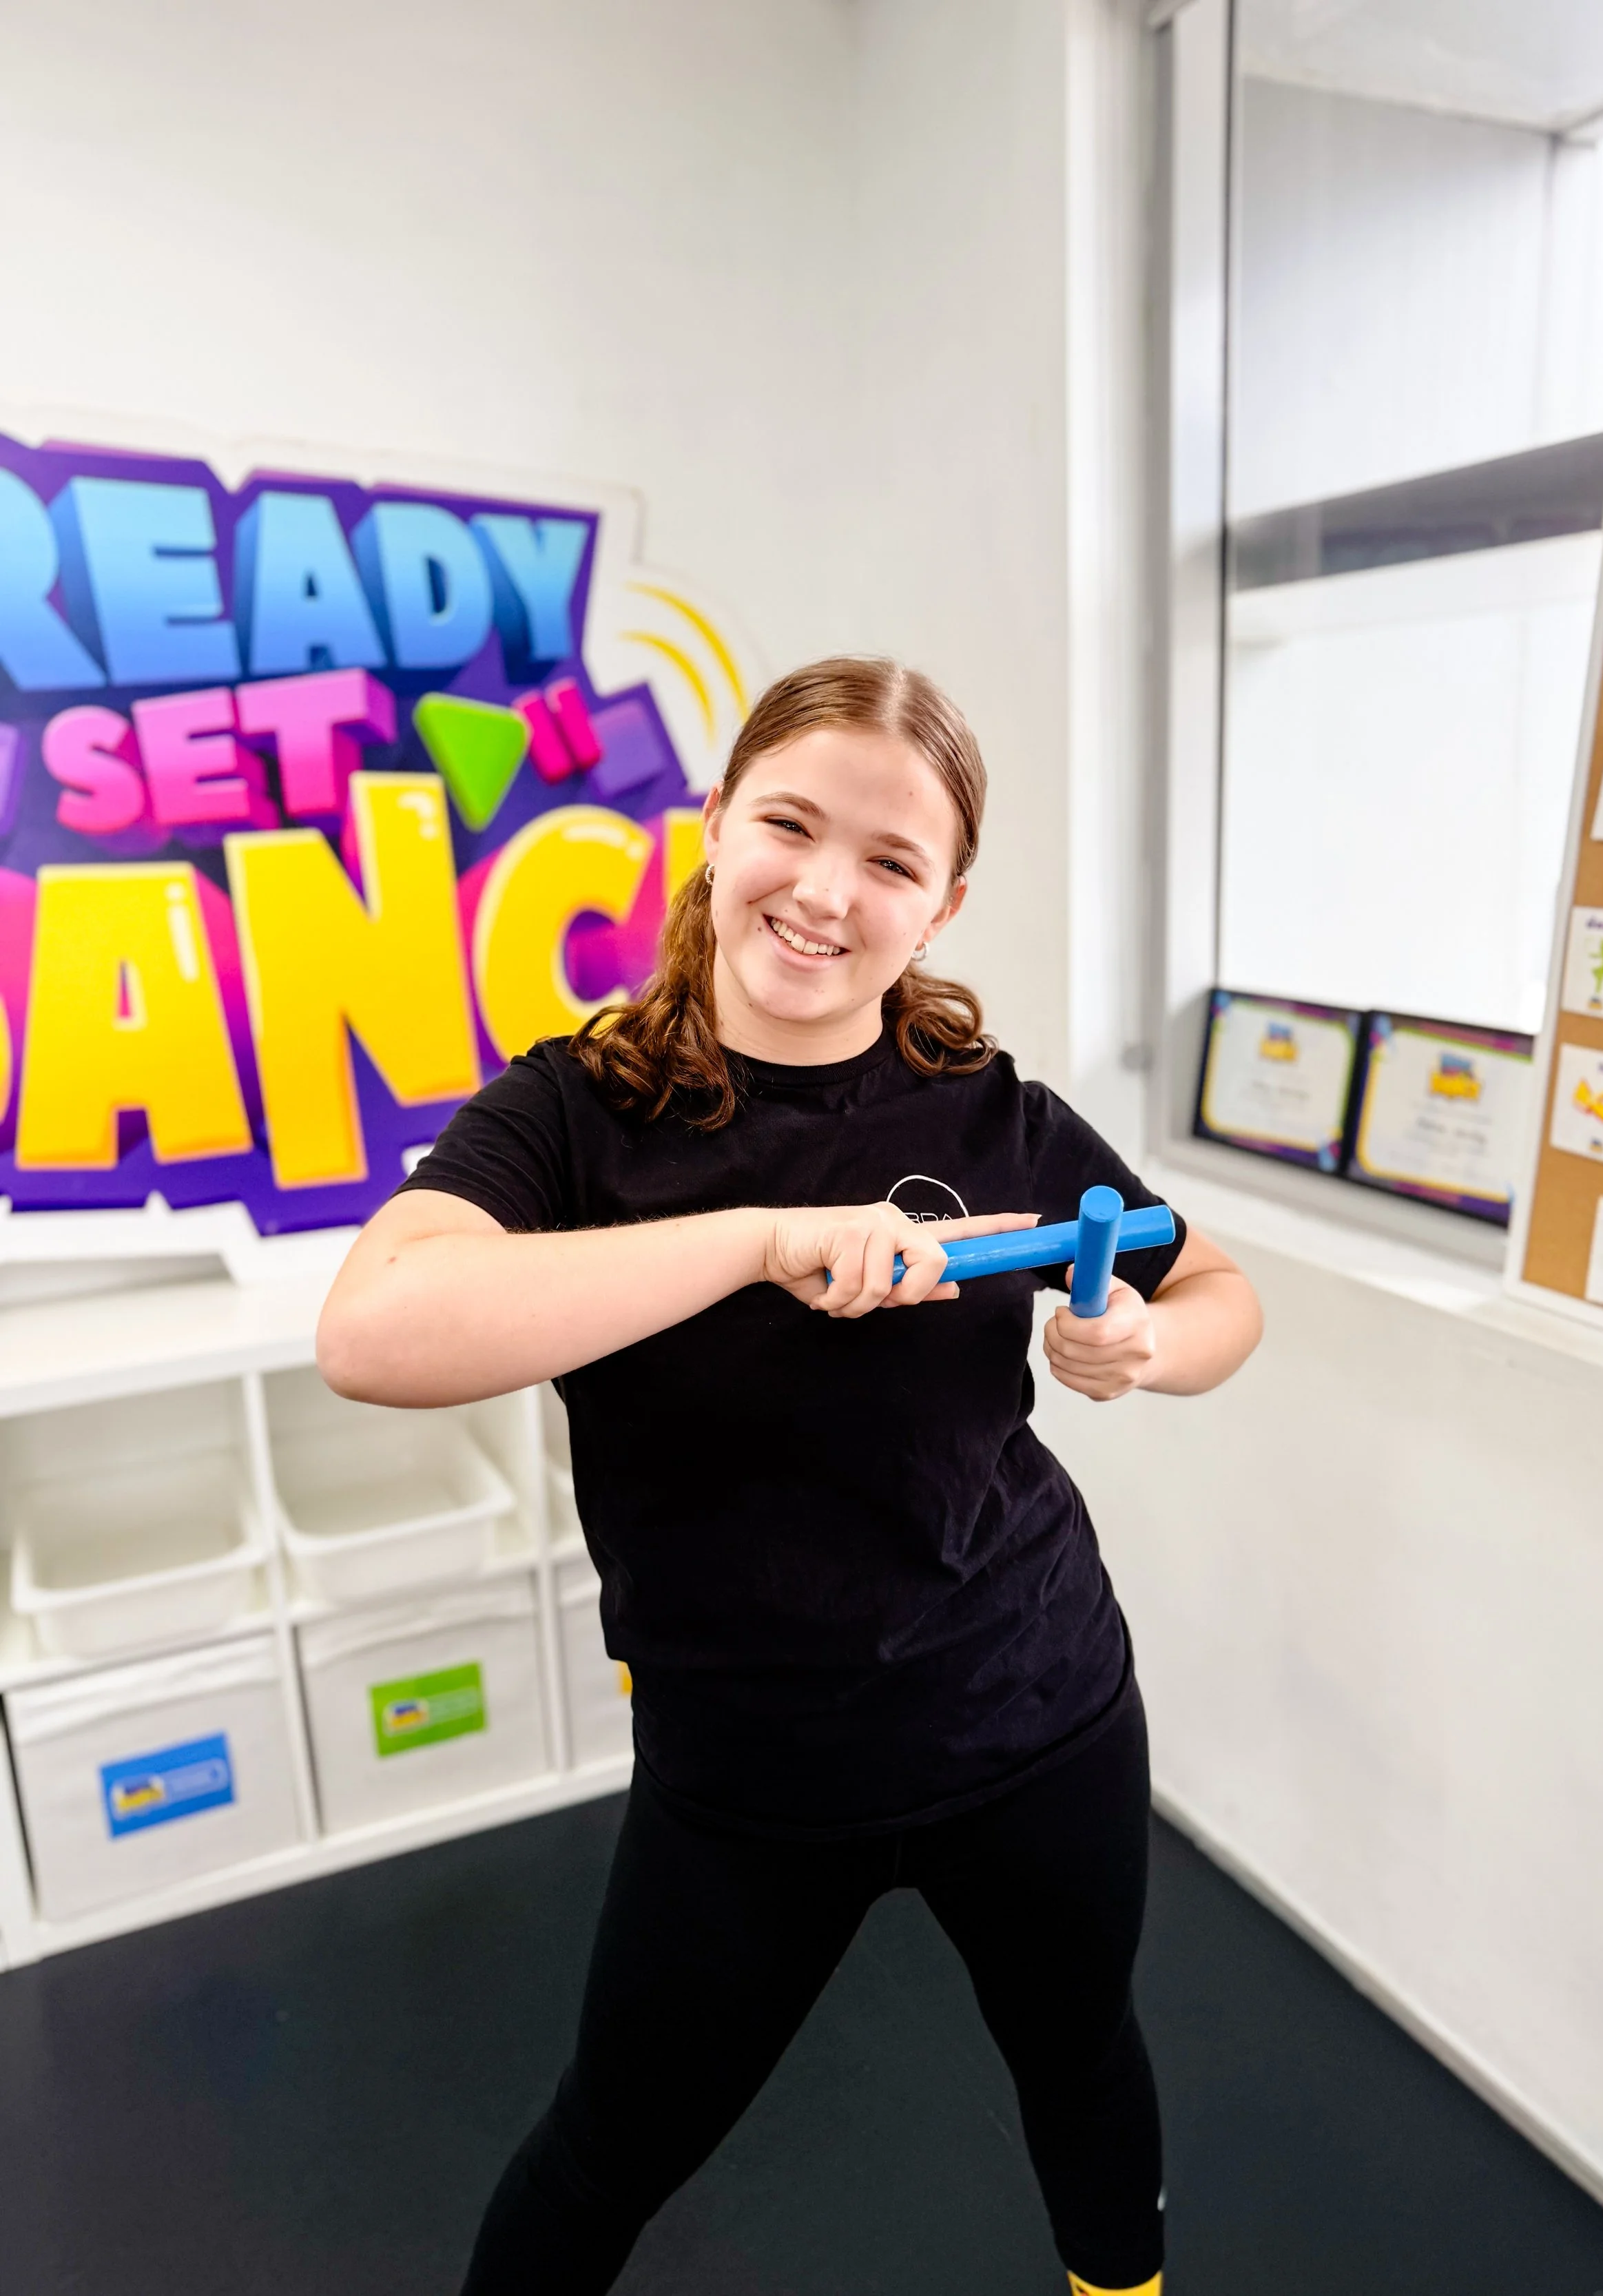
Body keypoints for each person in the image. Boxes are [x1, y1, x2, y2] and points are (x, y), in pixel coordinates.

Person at [318, 656, 1263, 2296]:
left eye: (892, 862)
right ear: (712, 825)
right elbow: (376, 1330)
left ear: (943, 902)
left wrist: (1142, 1353)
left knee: (1080, 2064)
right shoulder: (574, 1113)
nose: (828, 892)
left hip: (1032, 1710)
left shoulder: (993, 1115)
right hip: (747, 1776)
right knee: (606, 2145)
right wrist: (761, 1240)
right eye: (791, 825)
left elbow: (1215, 1292)